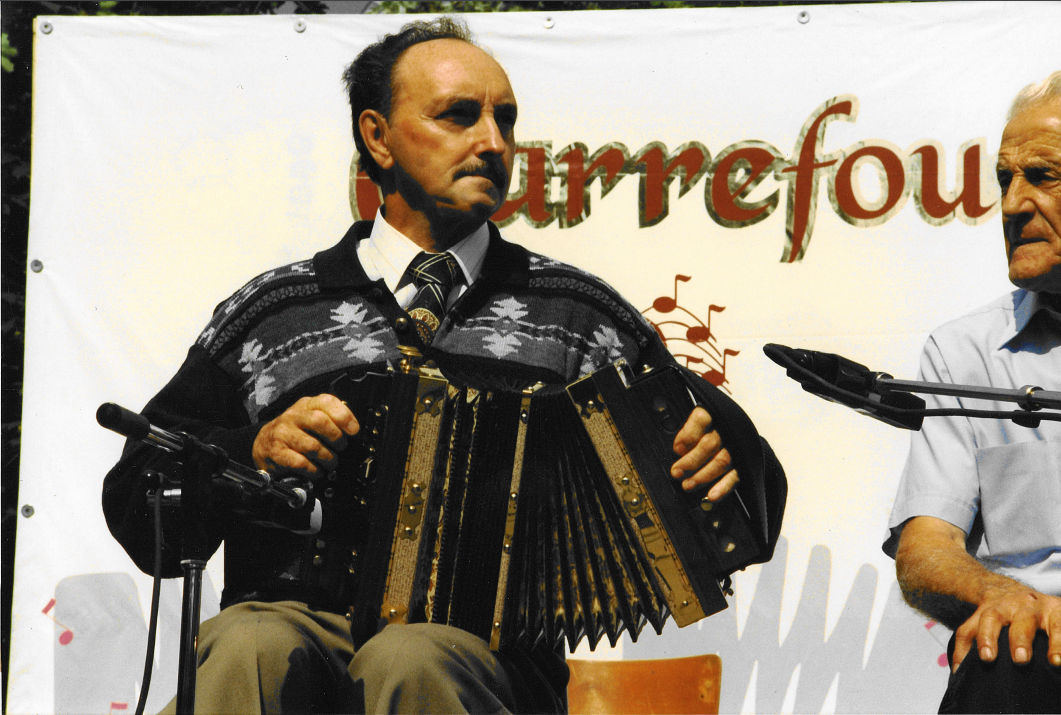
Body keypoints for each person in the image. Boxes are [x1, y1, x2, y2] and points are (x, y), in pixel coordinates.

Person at [103, 18, 785, 714]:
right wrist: (247, 450)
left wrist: (721, 454)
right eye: (459, 116)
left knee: (411, 654)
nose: (493, 143)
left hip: (486, 657)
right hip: (288, 632)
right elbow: (138, 502)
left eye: (505, 121)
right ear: (377, 137)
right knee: (249, 643)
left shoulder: (581, 312)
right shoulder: (270, 310)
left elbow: (746, 505)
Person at [883, 71, 1061, 713]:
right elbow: (925, 548)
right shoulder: (964, 352)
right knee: (1002, 665)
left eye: (1043, 176)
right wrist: (1002, 595)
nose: (1012, 205)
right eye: (1004, 179)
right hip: (1038, 652)